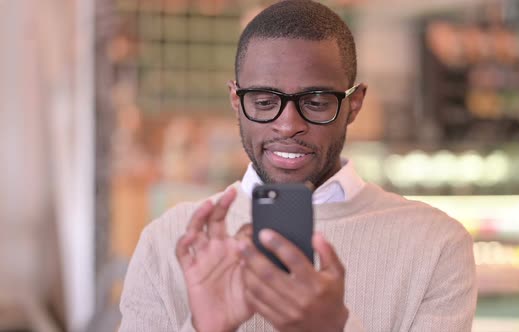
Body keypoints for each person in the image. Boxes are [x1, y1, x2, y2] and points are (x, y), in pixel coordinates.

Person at [119, 1, 477, 331]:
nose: (288, 125)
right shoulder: (170, 241)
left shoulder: (435, 244)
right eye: (263, 101)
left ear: (354, 105)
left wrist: (334, 327)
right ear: (236, 100)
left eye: (317, 101)